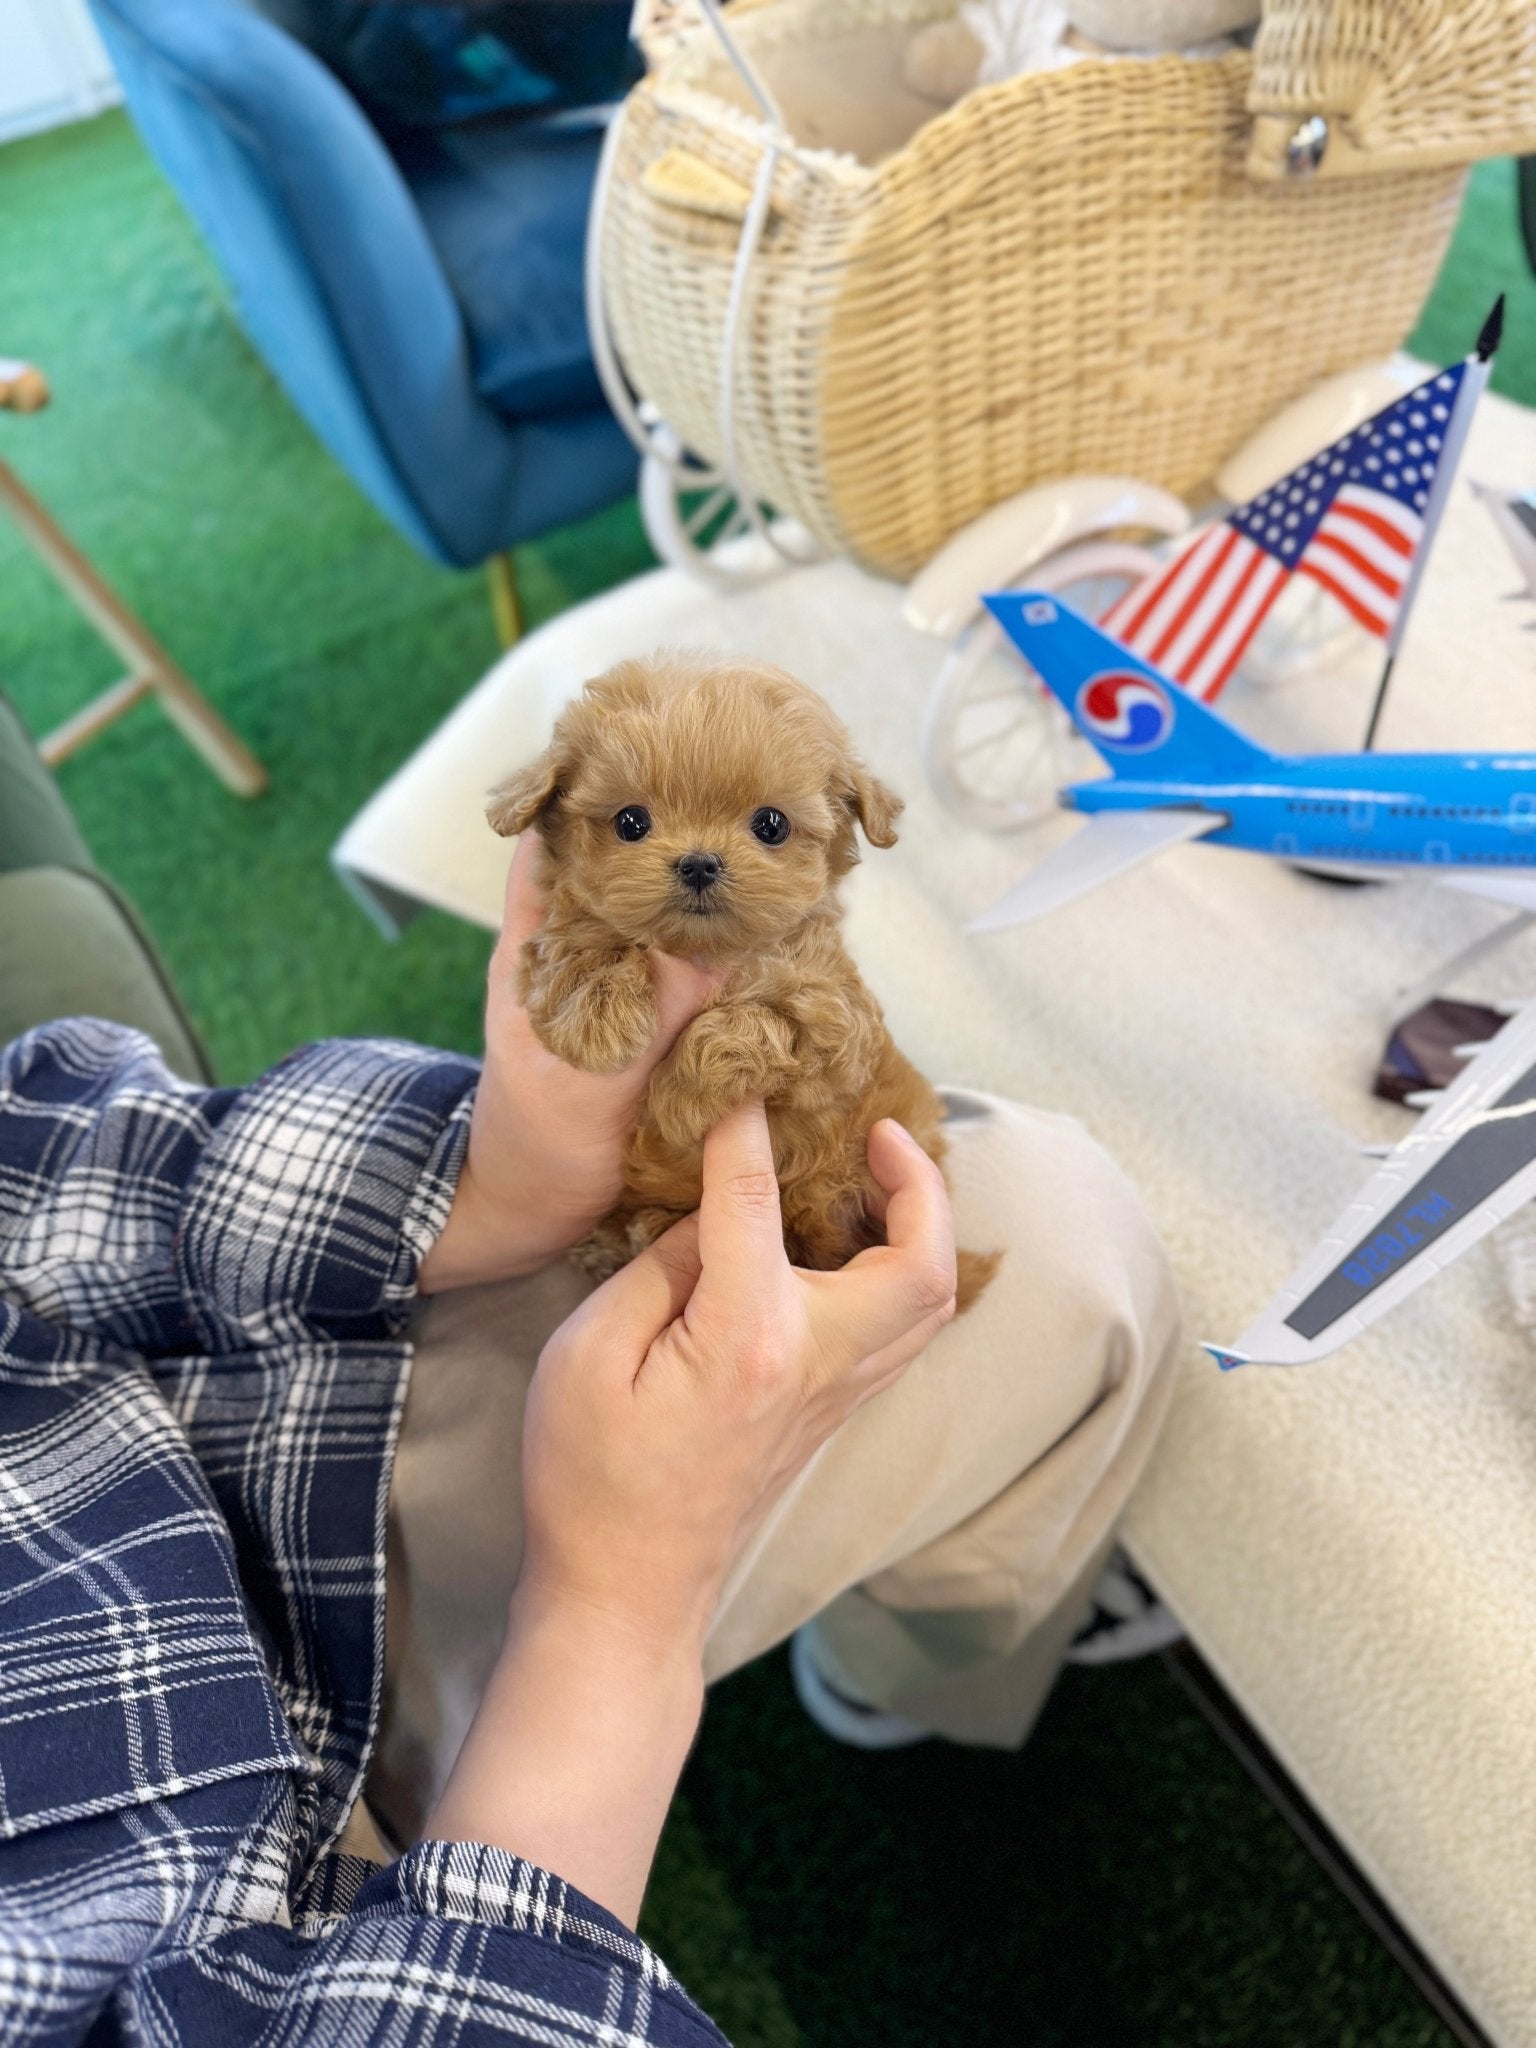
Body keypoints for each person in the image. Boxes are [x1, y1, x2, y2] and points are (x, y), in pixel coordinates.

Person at [0, 834, 1181, 2046]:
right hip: (289, 1876)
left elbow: (34, 1170)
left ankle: (887, 1664)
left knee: (1031, 1223)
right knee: (1053, 1279)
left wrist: (475, 1185)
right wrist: (615, 1607)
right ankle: (902, 1670)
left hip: (200, 1413)